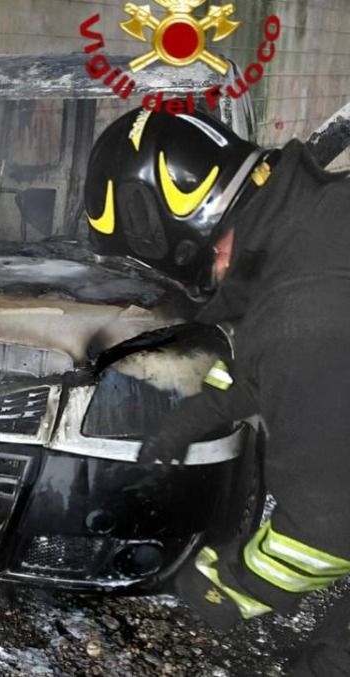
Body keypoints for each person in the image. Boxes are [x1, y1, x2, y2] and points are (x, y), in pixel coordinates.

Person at [84, 107, 350, 676]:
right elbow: (275, 355)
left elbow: (325, 528)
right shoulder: (320, 221)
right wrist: (199, 414)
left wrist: (222, 585)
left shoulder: (302, 312)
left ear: (190, 236)